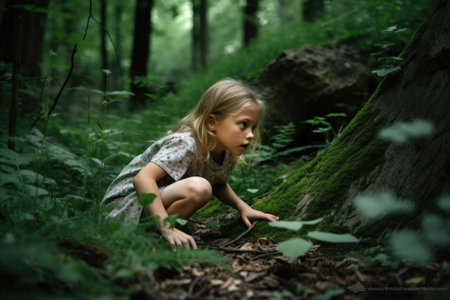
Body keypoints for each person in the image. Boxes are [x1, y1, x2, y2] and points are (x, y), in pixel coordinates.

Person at [102, 79, 279, 249]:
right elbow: (143, 179)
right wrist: (166, 225)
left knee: (203, 187)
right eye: (243, 124)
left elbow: (218, 184)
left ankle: (155, 237)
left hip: (150, 208)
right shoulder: (185, 144)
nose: (250, 135)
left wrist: (243, 207)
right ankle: (158, 236)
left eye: (253, 127)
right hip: (125, 206)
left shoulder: (225, 152)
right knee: (200, 188)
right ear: (212, 123)